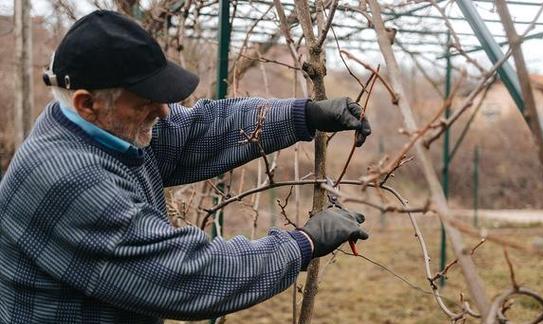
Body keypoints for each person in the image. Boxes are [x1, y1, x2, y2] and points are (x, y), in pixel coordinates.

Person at [0, 10, 371, 323]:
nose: (162, 110)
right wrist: (303, 243)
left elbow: (194, 131)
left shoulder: (102, 128)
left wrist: (302, 115)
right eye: (146, 100)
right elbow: (187, 274)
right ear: (86, 103)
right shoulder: (67, 178)